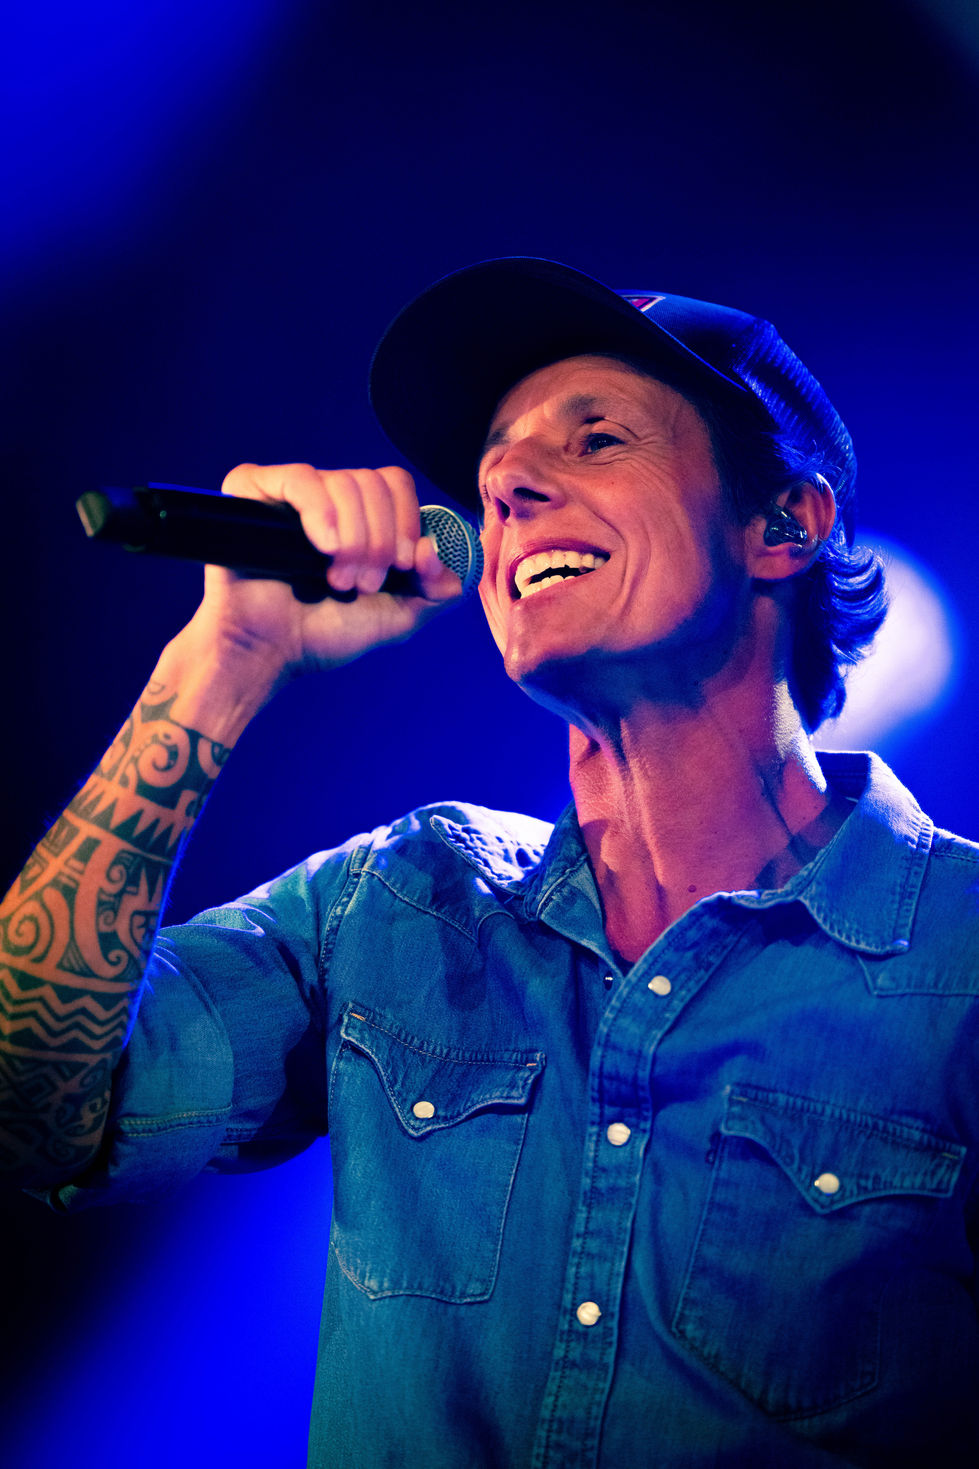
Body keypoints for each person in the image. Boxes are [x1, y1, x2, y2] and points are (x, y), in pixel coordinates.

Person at [1, 258, 977, 1468]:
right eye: (493, 467)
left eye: (597, 438)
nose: (506, 486)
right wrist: (226, 655)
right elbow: (27, 1115)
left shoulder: (957, 959)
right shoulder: (396, 901)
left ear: (784, 522)